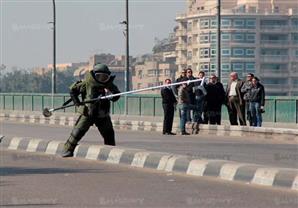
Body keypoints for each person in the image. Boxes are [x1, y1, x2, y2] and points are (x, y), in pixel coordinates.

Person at [62, 63, 121, 157]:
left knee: (109, 134)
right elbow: (73, 90)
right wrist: (76, 102)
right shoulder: (87, 82)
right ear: (94, 75)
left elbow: (116, 95)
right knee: (77, 132)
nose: (102, 79)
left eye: (104, 77)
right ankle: (68, 149)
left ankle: (111, 152)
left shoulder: (109, 84)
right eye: (99, 76)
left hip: (102, 114)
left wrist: (111, 95)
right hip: (88, 112)